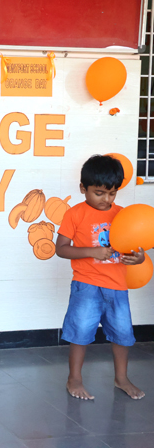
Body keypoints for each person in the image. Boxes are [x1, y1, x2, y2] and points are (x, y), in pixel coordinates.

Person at [55, 154, 146, 400]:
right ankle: (74, 379)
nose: (106, 200)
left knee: (123, 334)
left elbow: (135, 249)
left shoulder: (123, 215)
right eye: (99, 193)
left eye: (112, 193)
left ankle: (121, 378)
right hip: (86, 284)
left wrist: (138, 258)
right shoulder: (75, 214)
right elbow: (61, 249)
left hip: (117, 286)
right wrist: (92, 252)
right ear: (83, 188)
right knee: (80, 332)